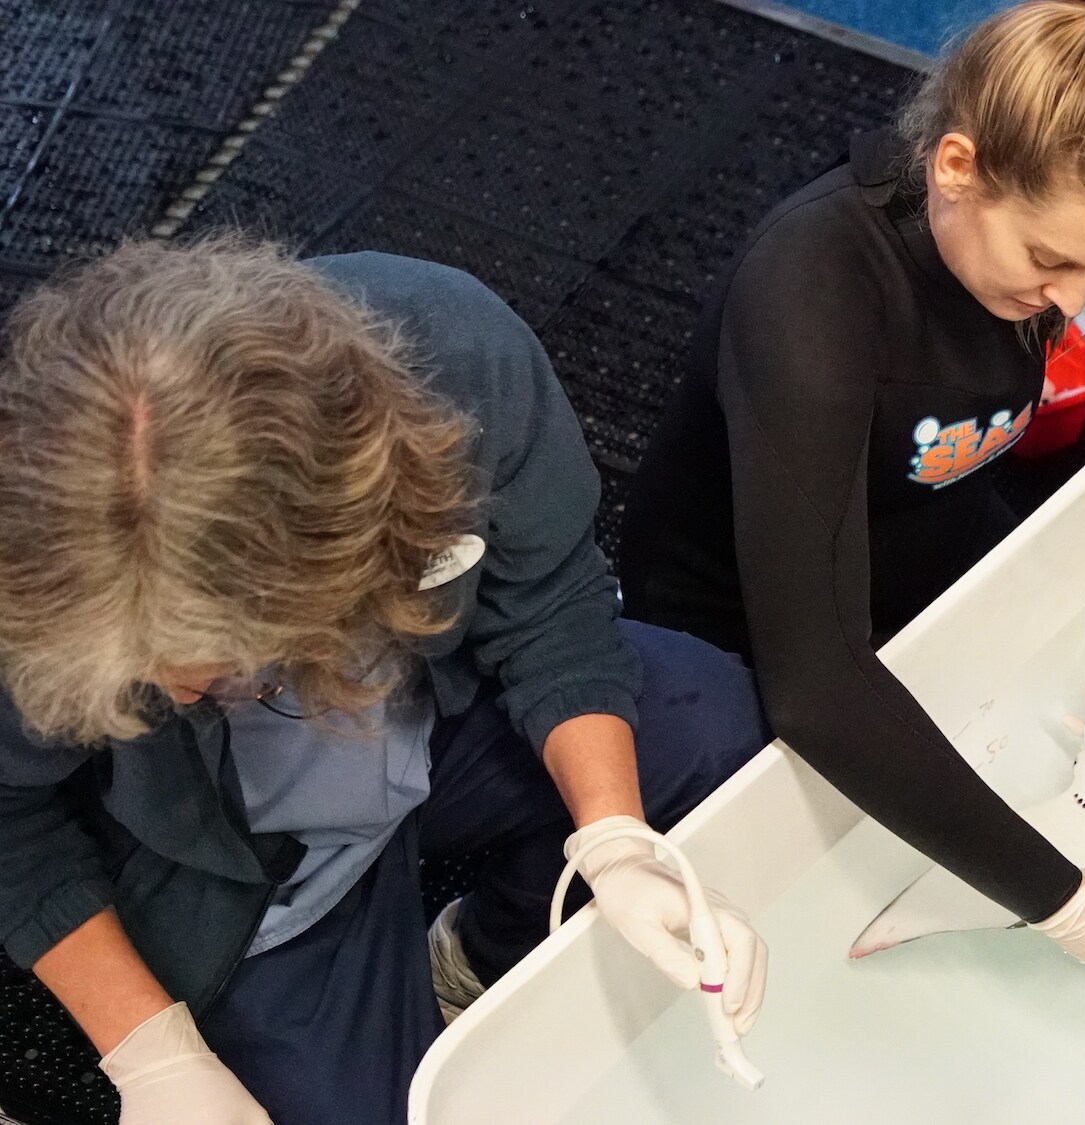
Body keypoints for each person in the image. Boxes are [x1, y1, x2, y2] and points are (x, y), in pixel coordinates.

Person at [0, 240, 772, 1125]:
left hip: (430, 710)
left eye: (213, 661)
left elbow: (554, 605)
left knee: (710, 726)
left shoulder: (456, 355)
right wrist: (152, 1053)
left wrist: (618, 840)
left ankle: (480, 957)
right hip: (229, 856)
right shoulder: (34, 552)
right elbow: (8, 818)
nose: (178, 691)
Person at [617, 0, 1085, 975]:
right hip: (742, 634)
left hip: (936, 552)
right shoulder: (813, 290)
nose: (1070, 300)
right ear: (956, 168)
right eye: (1049, 262)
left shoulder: (1078, 216)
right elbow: (817, 685)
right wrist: (1069, 904)